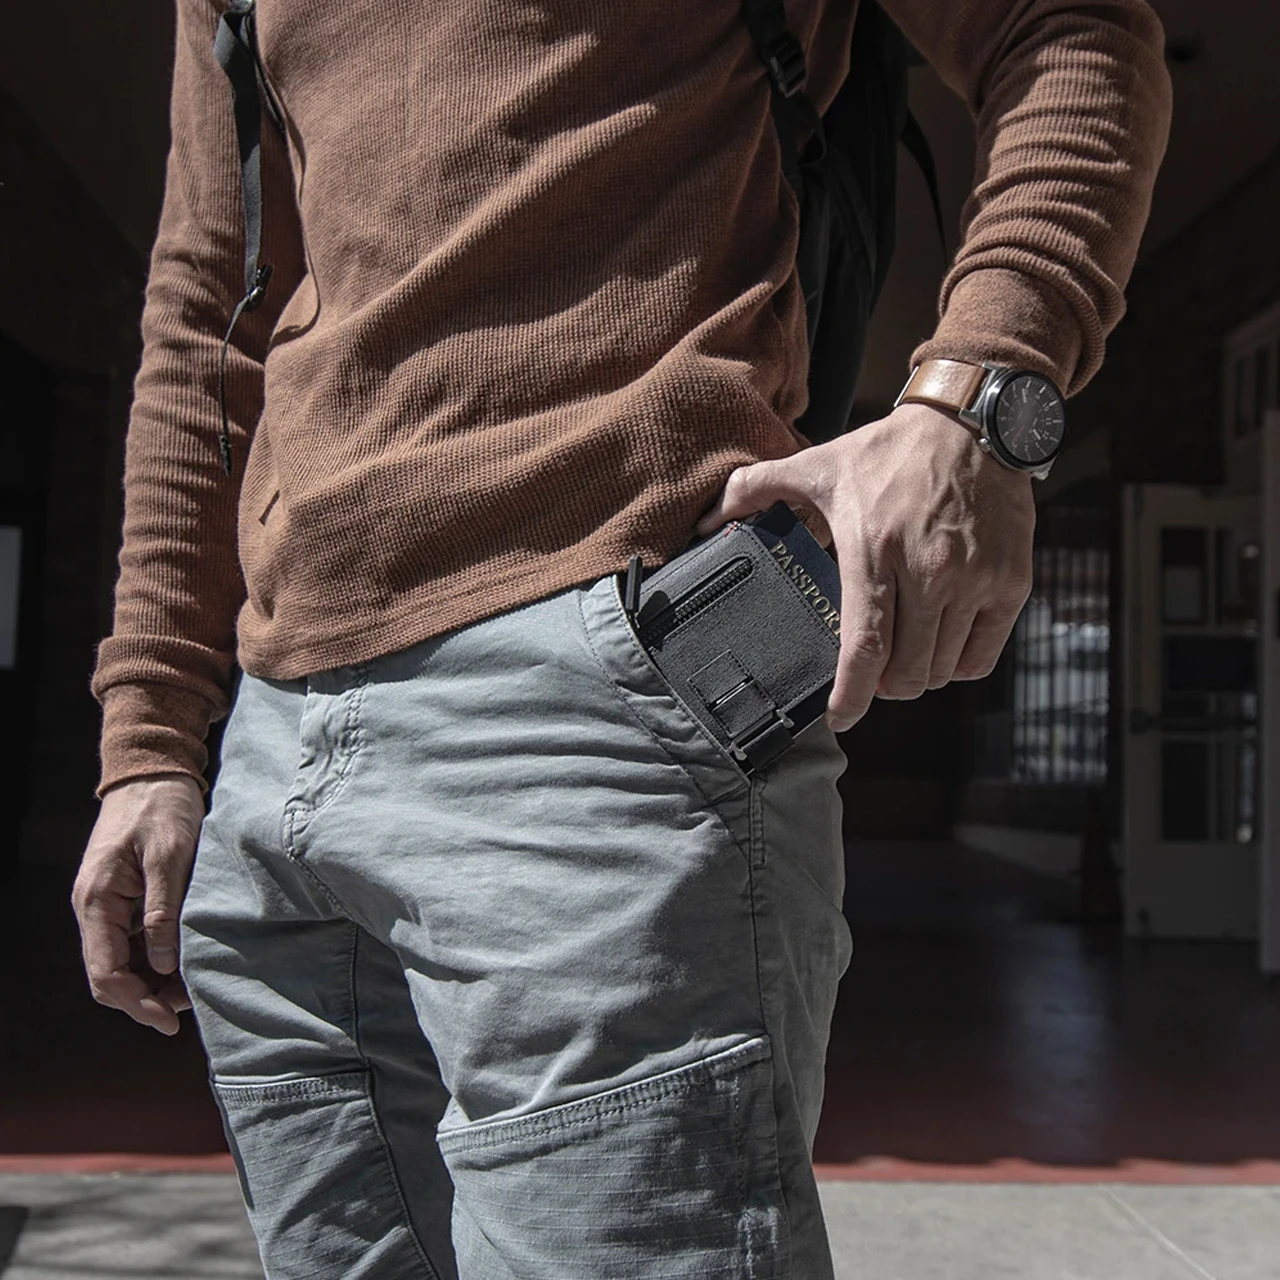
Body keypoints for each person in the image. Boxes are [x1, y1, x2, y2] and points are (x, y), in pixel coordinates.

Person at [71, 0, 1172, 1275]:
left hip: (593, 701)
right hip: (275, 755)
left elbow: (1069, 28)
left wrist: (978, 395)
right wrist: (149, 738)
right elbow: (206, 313)